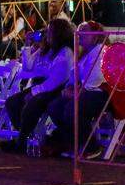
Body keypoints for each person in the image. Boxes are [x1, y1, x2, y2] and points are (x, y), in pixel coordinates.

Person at [0, 17, 76, 153]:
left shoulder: (65, 52)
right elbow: (28, 67)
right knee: (12, 102)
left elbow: (55, 81)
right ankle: (24, 136)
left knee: (32, 104)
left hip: (57, 89)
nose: (46, 34)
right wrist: (28, 44)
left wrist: (34, 92)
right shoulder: (48, 49)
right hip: (44, 86)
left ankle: (21, 141)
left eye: (49, 31)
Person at [41, 21, 109, 158]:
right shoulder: (83, 53)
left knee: (71, 109)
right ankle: (71, 141)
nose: (80, 35)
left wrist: (77, 90)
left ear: (95, 36)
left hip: (99, 93)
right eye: (79, 32)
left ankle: (92, 146)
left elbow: (95, 79)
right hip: (82, 91)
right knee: (54, 107)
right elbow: (74, 75)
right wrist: (69, 88)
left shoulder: (101, 52)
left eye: (84, 32)